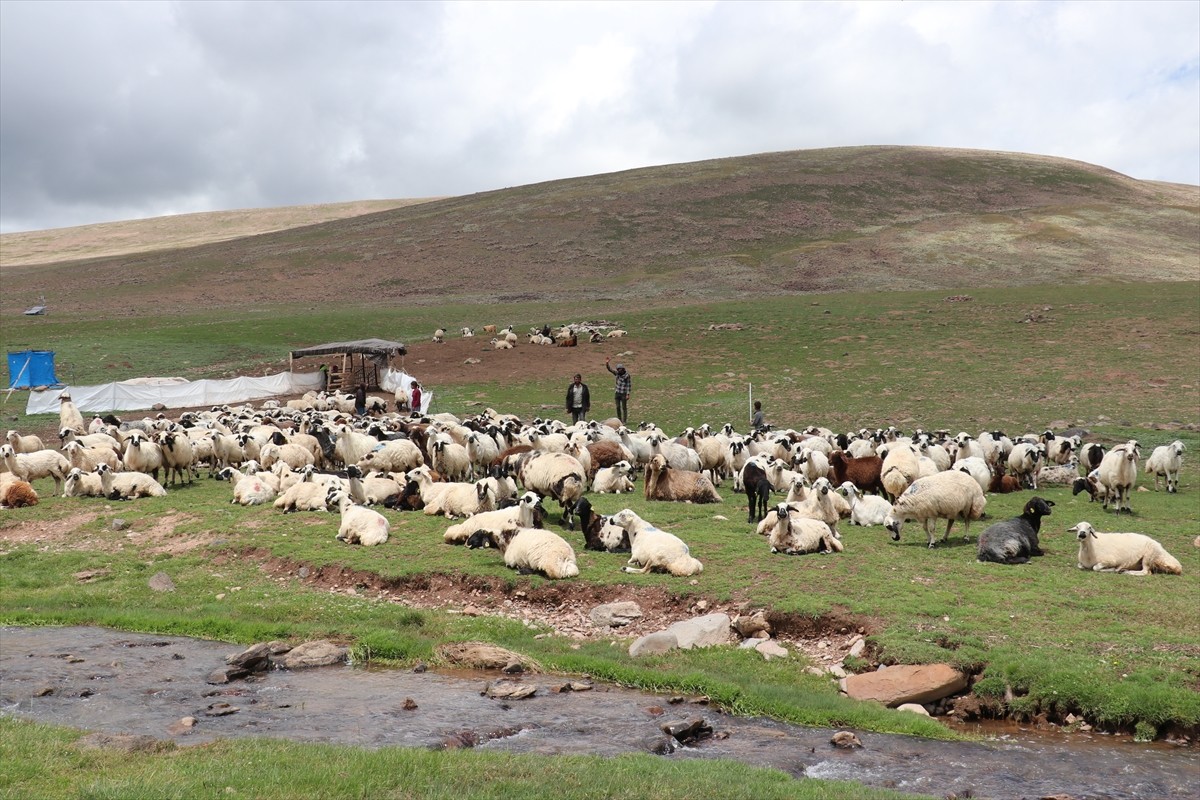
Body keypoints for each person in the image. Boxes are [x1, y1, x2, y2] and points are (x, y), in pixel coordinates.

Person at [605, 358, 631, 424]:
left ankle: (624, 420)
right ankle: (619, 420)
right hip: (617, 393)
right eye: (618, 369)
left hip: (623, 393)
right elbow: (610, 369)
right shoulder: (617, 374)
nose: (619, 370)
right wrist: (607, 363)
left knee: (624, 407)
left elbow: (628, 385)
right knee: (617, 407)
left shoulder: (627, 375)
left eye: (620, 369)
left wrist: (628, 394)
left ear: (623, 369)